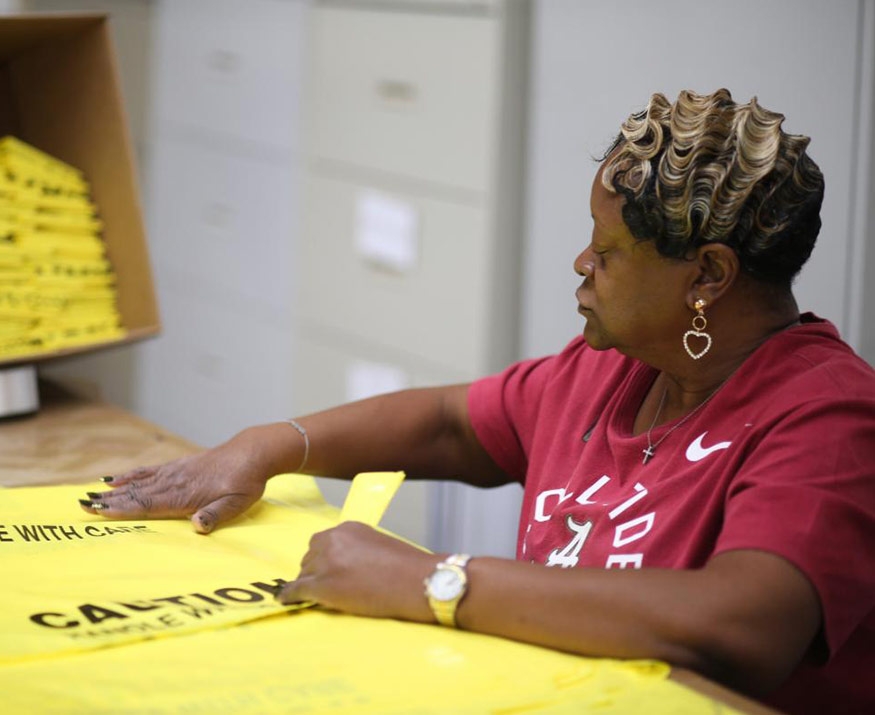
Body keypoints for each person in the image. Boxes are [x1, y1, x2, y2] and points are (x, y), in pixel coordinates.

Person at [79, 89, 875, 714]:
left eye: (606, 253)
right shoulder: (611, 371)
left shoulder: (827, 418)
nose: (579, 264)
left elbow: (747, 623)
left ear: (706, 275)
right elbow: (453, 423)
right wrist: (265, 444)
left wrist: (435, 582)